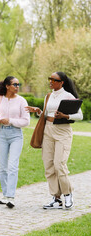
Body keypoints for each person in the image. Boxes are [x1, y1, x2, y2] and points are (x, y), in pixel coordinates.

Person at [26, 72, 83, 210]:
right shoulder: (49, 96)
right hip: (48, 131)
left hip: (63, 131)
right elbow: (47, 114)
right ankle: (56, 198)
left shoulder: (68, 96)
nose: (51, 81)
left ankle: (68, 194)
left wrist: (66, 115)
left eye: (54, 79)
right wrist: (39, 111)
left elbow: (80, 115)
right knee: (49, 165)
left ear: (61, 82)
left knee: (59, 164)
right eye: (49, 79)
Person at [0, 76, 30, 208]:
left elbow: (26, 121)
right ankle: (5, 194)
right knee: (2, 167)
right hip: (2, 134)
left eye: (19, 84)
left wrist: (11, 121)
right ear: (7, 86)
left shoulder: (21, 101)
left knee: (12, 165)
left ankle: (11, 196)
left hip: (15, 135)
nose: (17, 86)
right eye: (15, 84)